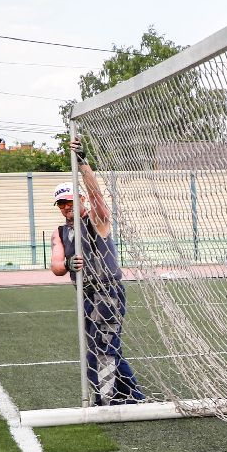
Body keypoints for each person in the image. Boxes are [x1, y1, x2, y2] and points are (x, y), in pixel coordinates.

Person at [49, 143, 144, 406]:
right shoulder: (60, 232)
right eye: (62, 203)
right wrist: (68, 262)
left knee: (101, 351)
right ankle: (134, 397)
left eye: (71, 200)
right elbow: (56, 266)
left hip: (107, 291)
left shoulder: (97, 220)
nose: (67, 207)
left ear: (80, 200)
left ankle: (108, 401)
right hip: (85, 294)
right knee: (103, 346)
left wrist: (83, 164)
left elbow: (97, 197)